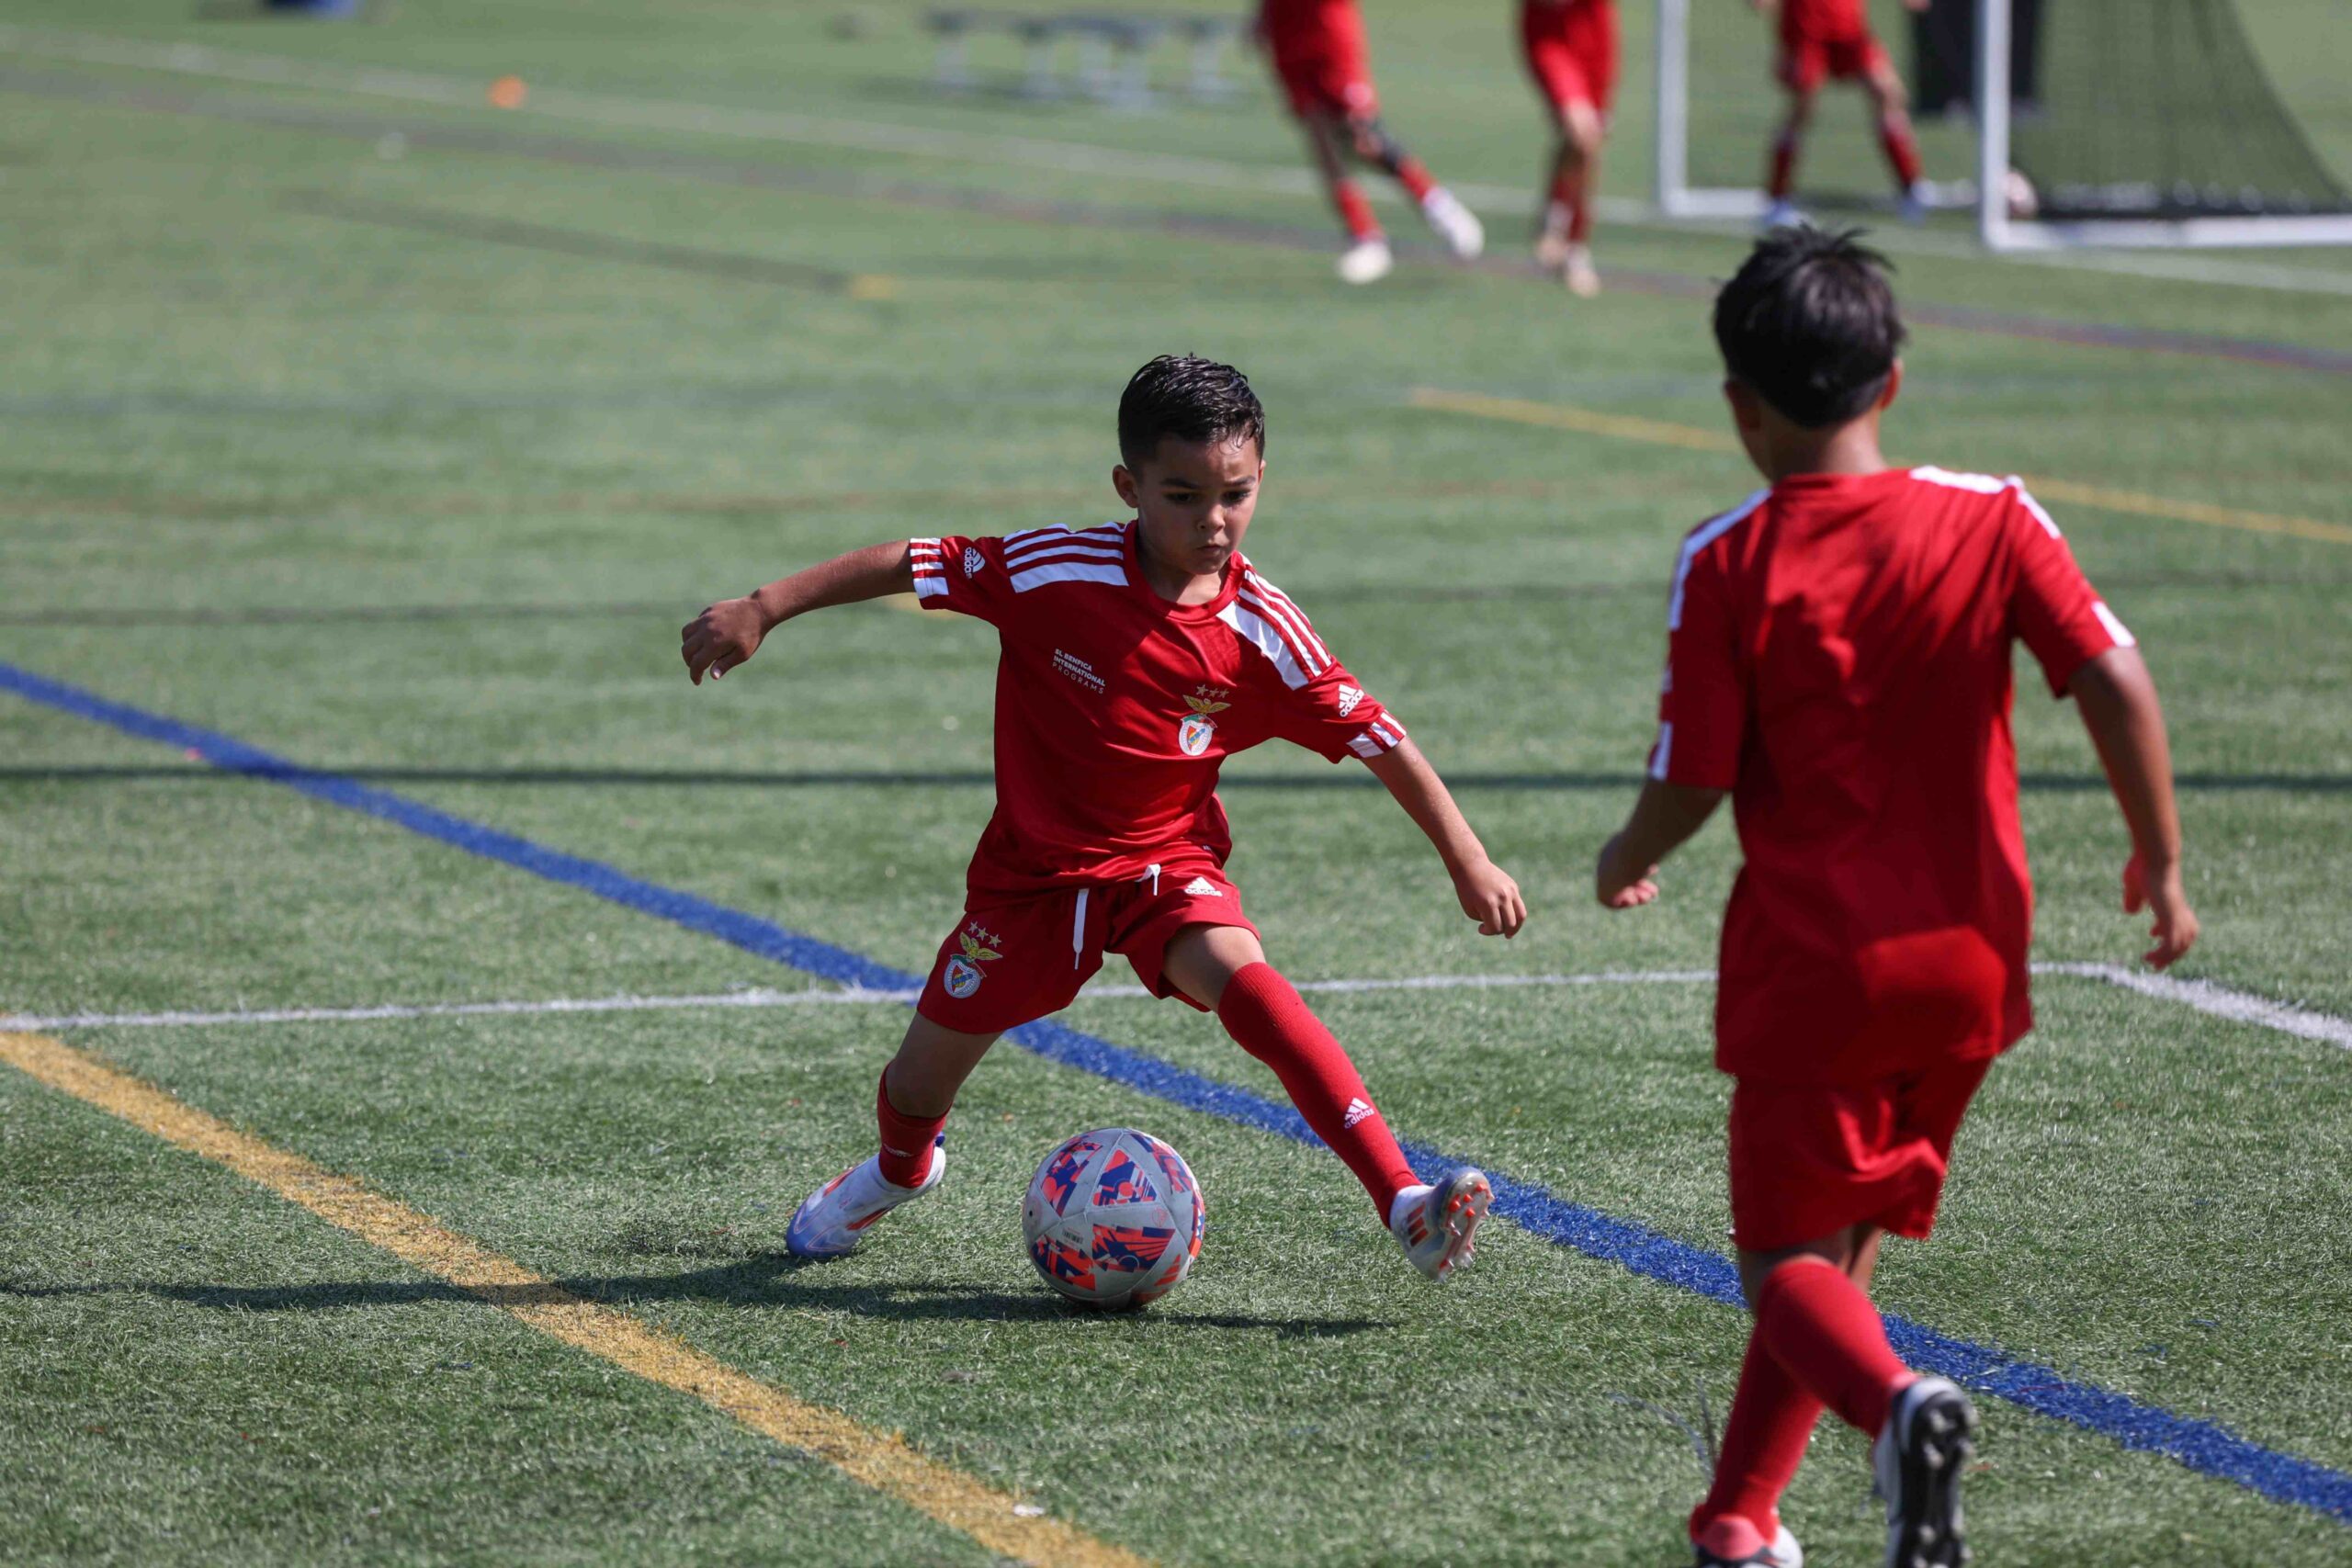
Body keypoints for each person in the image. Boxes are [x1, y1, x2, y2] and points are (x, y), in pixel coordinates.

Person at [1593, 228, 2197, 1568]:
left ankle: (1901, 1405)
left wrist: (1623, 853)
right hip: (1975, 966)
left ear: (1741, 408)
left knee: (1779, 1267)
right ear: (1894, 380)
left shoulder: (1731, 556)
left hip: (1819, 972)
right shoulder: (1995, 514)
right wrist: (2158, 852)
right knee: (1838, 1253)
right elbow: (2114, 674)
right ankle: (1739, 1518)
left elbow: (1691, 776)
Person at [682, 355, 1527, 1282]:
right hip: (1030, 883)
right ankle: (897, 1171)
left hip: (1161, 867)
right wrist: (766, 607)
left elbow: (1382, 740)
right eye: (1182, 495)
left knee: (1252, 988)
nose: (1212, 521)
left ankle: (1402, 1200)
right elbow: (914, 562)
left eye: (1234, 495)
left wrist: (1468, 861)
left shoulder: (1265, 633)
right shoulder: (1056, 571)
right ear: (1128, 487)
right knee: (919, 1083)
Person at [1256, 0, 1486, 283]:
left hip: (1329, 23)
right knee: (1321, 138)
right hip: (1286, 25)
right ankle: (1365, 236)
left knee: (1364, 138)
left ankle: (1435, 203)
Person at [1754, 0, 1932, 226]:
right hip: (1806, 28)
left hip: (1850, 28)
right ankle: (1777, 199)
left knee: (1888, 93)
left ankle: (1912, 188)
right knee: (1801, 110)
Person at [1521, 0, 1619, 298]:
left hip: (1595, 30)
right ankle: (1575, 247)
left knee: (1586, 143)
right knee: (1582, 133)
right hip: (1549, 31)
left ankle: (1556, 217)